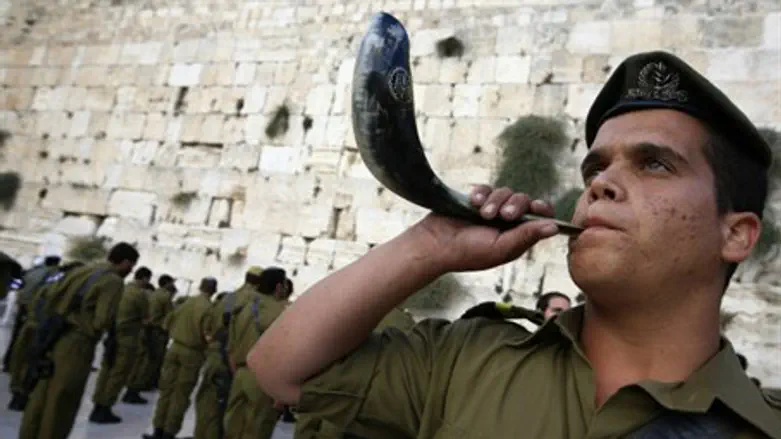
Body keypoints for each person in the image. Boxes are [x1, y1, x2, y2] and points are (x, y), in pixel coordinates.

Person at [247, 50, 781, 437]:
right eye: (596, 166)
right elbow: (282, 369)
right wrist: (434, 243)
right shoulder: (463, 361)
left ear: (736, 234)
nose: (599, 184)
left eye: (655, 163)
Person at [18, 243, 139, 439]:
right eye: (131, 266)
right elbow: (102, 321)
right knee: (62, 401)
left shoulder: (81, 271)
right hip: (78, 344)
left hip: (54, 336)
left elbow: (50, 296)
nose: (131, 271)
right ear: (125, 262)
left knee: (40, 397)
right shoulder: (113, 281)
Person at [192, 266, 265, 439]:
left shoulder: (229, 298)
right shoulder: (258, 303)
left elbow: (210, 328)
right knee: (233, 412)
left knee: (207, 404)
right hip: (237, 363)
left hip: (216, 357)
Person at [143, 277, 217, 439]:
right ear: (213, 291)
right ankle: (170, 432)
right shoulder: (209, 309)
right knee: (181, 395)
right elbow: (208, 336)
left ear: (199, 286)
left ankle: (158, 429)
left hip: (174, 347)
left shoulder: (186, 302)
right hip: (192, 353)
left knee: (166, 391)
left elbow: (167, 322)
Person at [7, 260, 84, 411]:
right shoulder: (63, 290)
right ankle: (21, 395)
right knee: (30, 363)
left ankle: (17, 394)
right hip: (41, 329)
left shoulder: (50, 284)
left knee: (21, 360)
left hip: (31, 325)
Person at [224, 267, 290, 439]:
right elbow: (286, 355)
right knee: (258, 428)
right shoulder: (282, 313)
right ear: (278, 287)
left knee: (233, 426)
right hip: (265, 379)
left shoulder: (242, 306)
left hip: (240, 373)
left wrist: (237, 370)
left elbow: (231, 345)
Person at [89, 266, 153, 422]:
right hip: (127, 340)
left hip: (112, 336)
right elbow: (146, 319)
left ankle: (97, 405)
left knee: (106, 371)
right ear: (145, 279)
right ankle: (105, 407)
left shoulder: (122, 289)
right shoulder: (139, 295)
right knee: (118, 374)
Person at [2, 256, 60, 372]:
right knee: (28, 339)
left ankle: (7, 363)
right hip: (32, 310)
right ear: (56, 264)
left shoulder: (34, 271)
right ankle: (19, 366)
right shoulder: (52, 274)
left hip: (21, 305)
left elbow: (21, 284)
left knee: (16, 336)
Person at [126, 274, 177, 393]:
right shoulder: (165, 296)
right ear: (167, 283)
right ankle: (143, 383)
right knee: (153, 359)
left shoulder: (153, 294)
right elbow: (170, 316)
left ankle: (137, 382)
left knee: (145, 358)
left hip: (148, 328)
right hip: (158, 331)